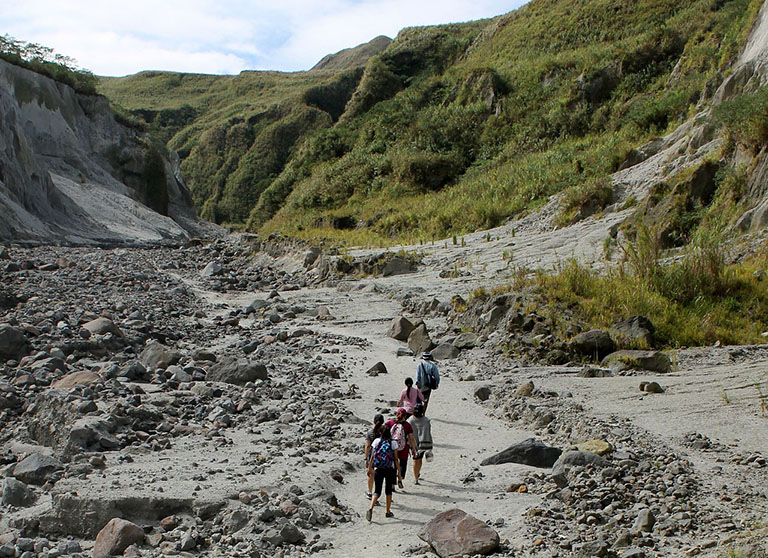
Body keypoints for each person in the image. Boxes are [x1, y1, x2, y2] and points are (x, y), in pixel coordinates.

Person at [367, 425, 396, 520]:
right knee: (388, 491)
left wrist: (370, 467)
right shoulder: (393, 443)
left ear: (380, 432)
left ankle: (371, 508)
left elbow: (372, 456)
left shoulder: (376, 441)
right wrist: (399, 474)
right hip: (389, 469)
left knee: (377, 491)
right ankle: (387, 511)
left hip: (378, 468)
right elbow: (396, 459)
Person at [385, 408, 418, 488]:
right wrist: (414, 449)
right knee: (402, 464)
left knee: (393, 466)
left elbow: (383, 432)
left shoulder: (390, 423)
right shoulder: (407, 425)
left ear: (397, 414)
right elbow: (411, 439)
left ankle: (392, 485)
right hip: (403, 448)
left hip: (392, 447)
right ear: (405, 416)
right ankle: (400, 478)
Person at [408, 403, 433, 485]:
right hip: (423, 444)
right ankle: (417, 475)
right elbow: (428, 433)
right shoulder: (426, 421)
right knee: (420, 460)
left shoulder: (410, 420)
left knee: (415, 460)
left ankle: (416, 477)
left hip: (413, 444)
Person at [364, 413, 385, 499]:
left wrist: (366, 458)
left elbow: (367, 446)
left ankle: (370, 492)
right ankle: (377, 493)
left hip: (372, 457)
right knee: (379, 476)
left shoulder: (370, 433)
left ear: (374, 421)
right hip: (382, 456)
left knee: (371, 474)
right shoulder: (385, 431)